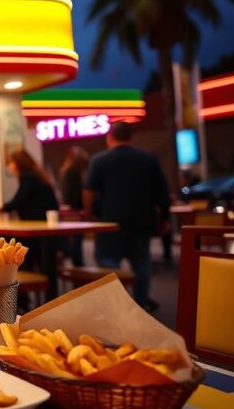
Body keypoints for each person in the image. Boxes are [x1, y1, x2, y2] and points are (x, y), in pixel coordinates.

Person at [84, 121, 170, 313]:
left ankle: (119, 304)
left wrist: (89, 215)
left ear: (110, 138)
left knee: (107, 261)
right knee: (141, 263)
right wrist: (164, 218)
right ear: (131, 137)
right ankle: (139, 305)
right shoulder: (149, 159)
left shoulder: (100, 160)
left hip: (110, 222)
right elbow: (162, 192)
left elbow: (89, 191)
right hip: (142, 221)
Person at [0, 149, 60, 303]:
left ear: (18, 163)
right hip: (43, 228)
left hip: (38, 229)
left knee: (19, 257)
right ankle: (38, 300)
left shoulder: (28, 178)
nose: (9, 167)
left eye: (10, 163)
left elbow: (18, 201)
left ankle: (24, 300)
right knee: (34, 261)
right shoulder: (36, 175)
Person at [59, 146, 90, 266]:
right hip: (76, 210)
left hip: (71, 211)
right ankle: (78, 265)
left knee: (74, 241)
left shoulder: (69, 171)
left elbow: (68, 194)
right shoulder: (77, 171)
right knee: (77, 240)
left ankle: (75, 264)